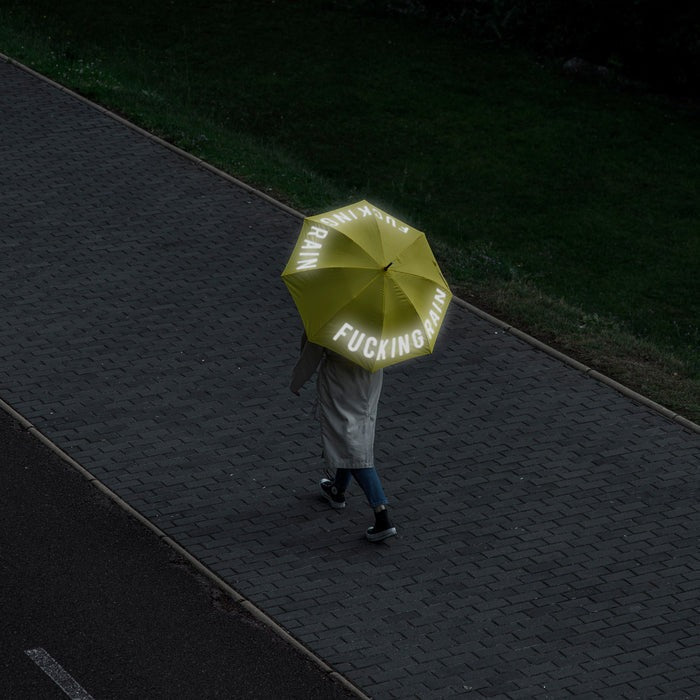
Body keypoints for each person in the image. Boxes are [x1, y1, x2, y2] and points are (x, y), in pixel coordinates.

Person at [290, 333, 397, 542]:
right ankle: (337, 489)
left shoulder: (329, 317)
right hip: (369, 379)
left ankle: (381, 514)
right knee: (353, 437)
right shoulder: (378, 320)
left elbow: (310, 354)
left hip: (341, 384)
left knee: (350, 444)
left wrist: (296, 382)